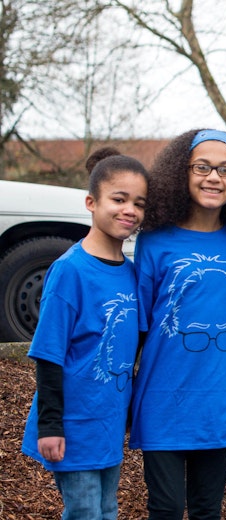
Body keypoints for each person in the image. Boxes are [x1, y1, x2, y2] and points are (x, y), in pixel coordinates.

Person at [130, 129, 226, 519]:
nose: (214, 178)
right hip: (162, 399)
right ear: (181, 172)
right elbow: (140, 323)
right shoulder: (154, 241)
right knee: (167, 509)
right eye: (202, 167)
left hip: (218, 402)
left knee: (208, 509)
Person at [21, 148, 149, 519]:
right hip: (73, 422)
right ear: (91, 202)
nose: (130, 210)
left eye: (139, 203)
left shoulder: (131, 271)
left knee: (107, 508)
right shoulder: (70, 271)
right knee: (84, 511)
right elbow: (48, 353)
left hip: (107, 420)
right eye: (119, 199)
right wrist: (50, 425)